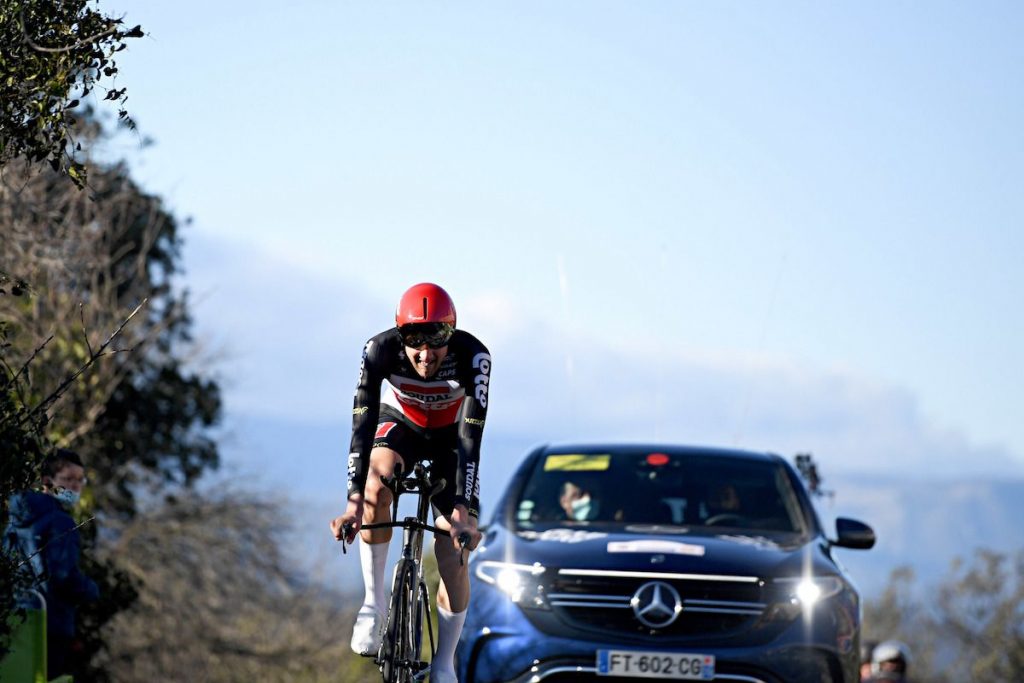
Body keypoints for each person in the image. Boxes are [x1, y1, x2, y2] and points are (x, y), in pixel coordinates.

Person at [330, 282, 490, 683]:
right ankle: (373, 604)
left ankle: (444, 662)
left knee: (453, 547)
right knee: (377, 485)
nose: (424, 353)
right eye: (413, 340)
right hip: (402, 424)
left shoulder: (474, 357)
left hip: (451, 439)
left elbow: (471, 437)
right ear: (399, 336)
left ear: (451, 335)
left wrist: (463, 512)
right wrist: (354, 501)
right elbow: (362, 426)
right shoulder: (378, 350)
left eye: (436, 339)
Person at [4, 449, 99, 678]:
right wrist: (91, 589)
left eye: (80, 480)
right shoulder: (61, 523)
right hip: (50, 622)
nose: (75, 487)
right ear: (48, 482)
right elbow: (64, 575)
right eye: (68, 479)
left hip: (12, 617)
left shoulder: (16, 520)